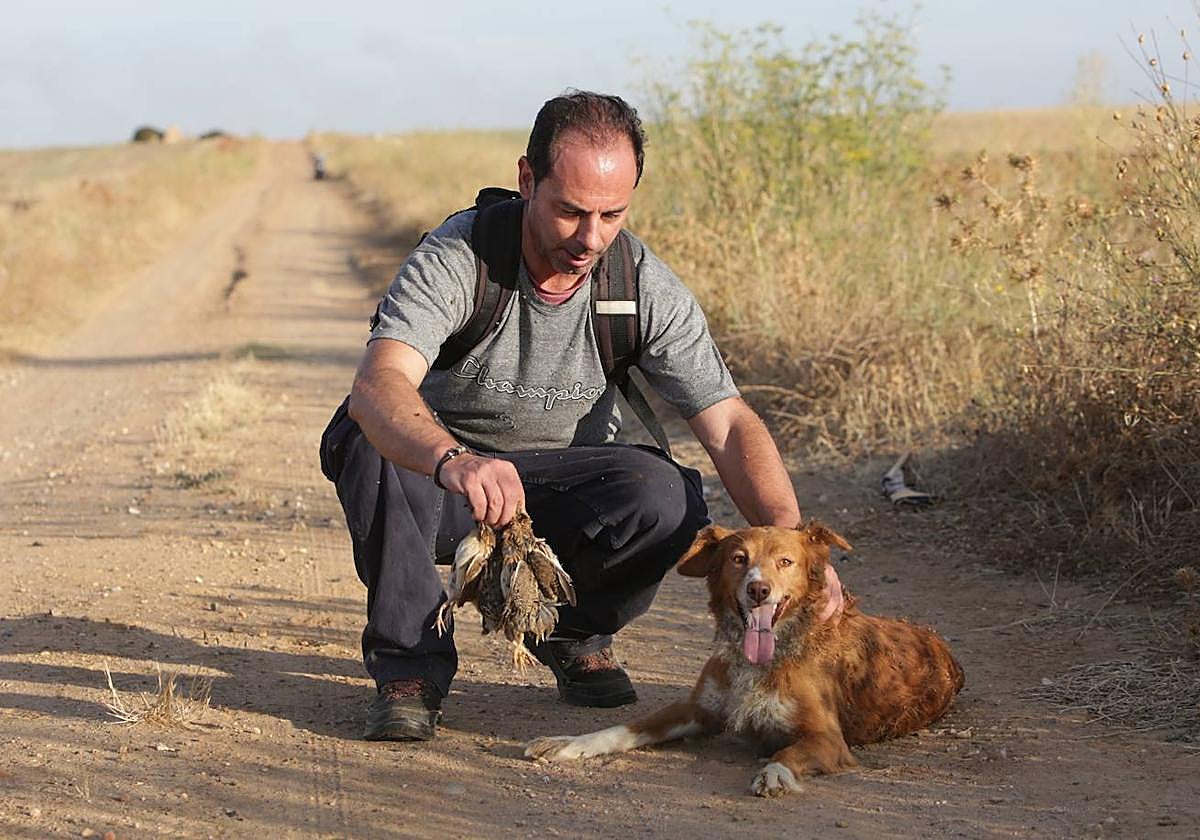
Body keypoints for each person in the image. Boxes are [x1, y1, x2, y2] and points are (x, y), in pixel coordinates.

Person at [319, 90, 843, 742]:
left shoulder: (637, 282)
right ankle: (410, 668)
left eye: (611, 214)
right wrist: (453, 459)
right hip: (443, 485)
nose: (590, 238)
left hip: (561, 488)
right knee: (371, 441)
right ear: (527, 180)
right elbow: (379, 385)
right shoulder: (458, 258)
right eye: (569, 211)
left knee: (666, 495)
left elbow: (729, 424)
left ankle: (570, 632)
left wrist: (793, 549)